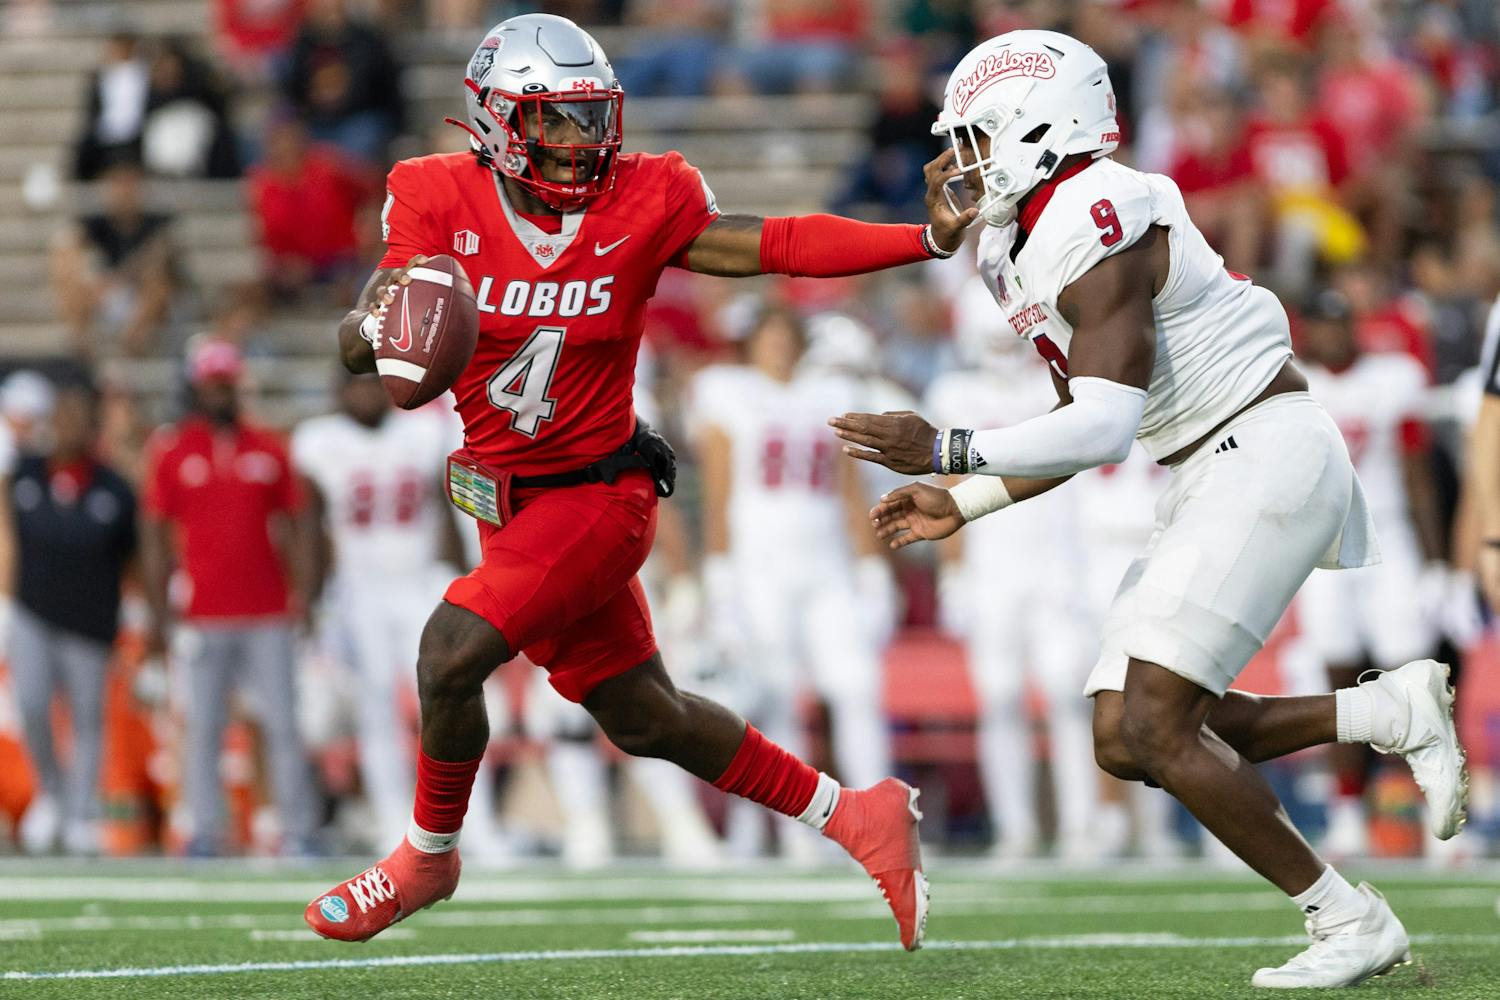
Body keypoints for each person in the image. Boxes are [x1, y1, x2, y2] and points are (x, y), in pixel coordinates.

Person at [305, 13, 974, 950]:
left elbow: (772, 242)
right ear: (497, 122)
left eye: (592, 118)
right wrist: (375, 317)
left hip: (598, 496)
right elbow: (362, 349)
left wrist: (923, 240)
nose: (583, 142)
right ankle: (855, 815)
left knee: (449, 653)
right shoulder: (431, 196)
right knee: (645, 716)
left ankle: (427, 854)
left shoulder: (645, 196)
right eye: (559, 122)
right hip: (503, 502)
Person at [829, 30, 1466, 988]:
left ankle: (1350, 919)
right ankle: (1384, 709)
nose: (956, 162)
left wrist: (950, 447)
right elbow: (1075, 419)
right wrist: (965, 500)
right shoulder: (1027, 235)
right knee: (1127, 733)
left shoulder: (1096, 208)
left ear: (1038, 129)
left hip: (1259, 447)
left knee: (1162, 724)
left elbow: (1103, 428)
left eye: (974, 138)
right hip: (1219, 459)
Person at [692, 306, 893, 858]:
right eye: (770, 337)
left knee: (856, 686)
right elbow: (717, 490)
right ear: (750, 344)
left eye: (787, 337)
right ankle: (780, 827)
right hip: (760, 566)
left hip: (827, 563)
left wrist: (871, 565)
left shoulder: (827, 394)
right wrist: (719, 572)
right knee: (770, 697)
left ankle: (880, 815)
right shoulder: (726, 392)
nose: (779, 347)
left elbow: (850, 488)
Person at [927, 278, 1099, 861]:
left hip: (1054, 556)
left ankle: (1081, 826)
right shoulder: (954, 391)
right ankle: (1016, 827)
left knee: (1064, 691)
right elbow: (947, 484)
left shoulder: (1054, 384)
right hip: (990, 558)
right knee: (999, 695)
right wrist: (952, 571)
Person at [140, 338, 318, 856]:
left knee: (283, 721)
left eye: (226, 381)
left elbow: (299, 520)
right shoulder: (173, 450)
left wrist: (304, 592)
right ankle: (203, 829)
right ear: (196, 385)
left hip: (268, 609)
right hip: (203, 612)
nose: (219, 391)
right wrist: (158, 611)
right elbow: (154, 533)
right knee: (203, 726)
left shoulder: (267, 447)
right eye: (211, 382)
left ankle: (299, 828)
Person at [1293, 289, 1445, 858]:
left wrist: (1435, 565)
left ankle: (1435, 810)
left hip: (1389, 538)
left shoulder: (1394, 377)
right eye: (1322, 324)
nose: (1332, 335)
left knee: (1411, 675)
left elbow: (1418, 472)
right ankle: (1347, 812)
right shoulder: (1291, 380)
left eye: (1341, 322)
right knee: (1338, 678)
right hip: (1322, 546)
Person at [292, 371, 469, 851]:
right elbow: (309, 529)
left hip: (419, 582)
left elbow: (445, 505)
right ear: (339, 392)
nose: (367, 394)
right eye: (356, 385)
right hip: (358, 591)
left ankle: (468, 819)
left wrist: (466, 579)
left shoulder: (423, 432)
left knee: (452, 695)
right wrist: (310, 602)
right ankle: (396, 820)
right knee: (376, 710)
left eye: (375, 384)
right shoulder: (319, 441)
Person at [1, 376, 137, 855]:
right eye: (60, 418)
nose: (67, 428)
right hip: (33, 613)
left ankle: (80, 812)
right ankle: (51, 795)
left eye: (78, 419)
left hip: (90, 621)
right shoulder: (24, 475)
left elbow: (130, 554)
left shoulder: (114, 487)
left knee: (86, 720)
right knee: (33, 706)